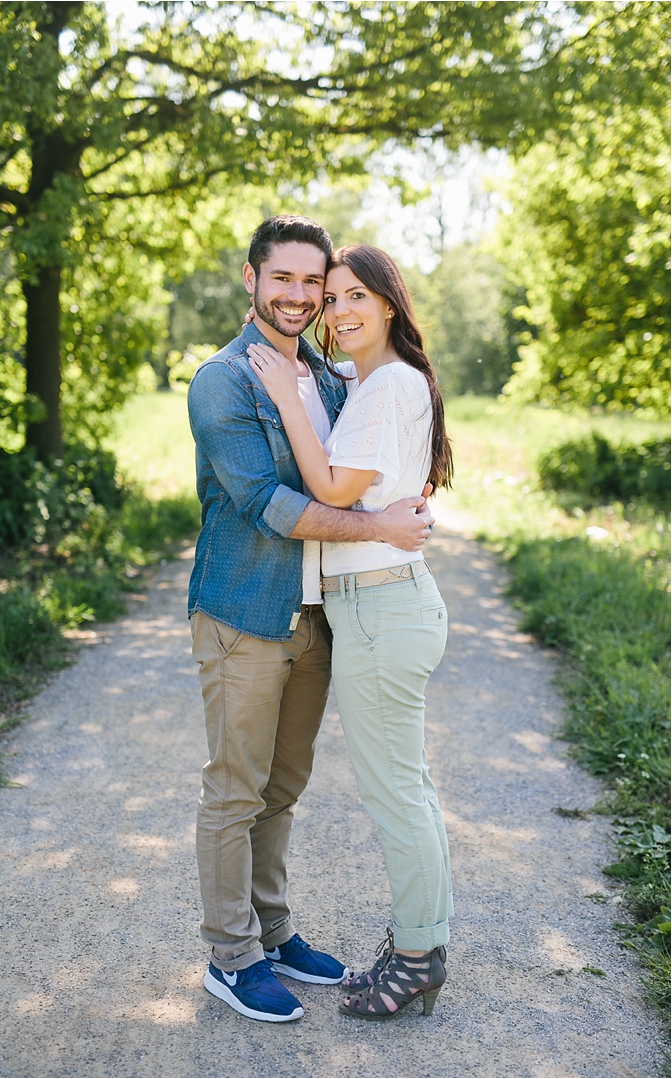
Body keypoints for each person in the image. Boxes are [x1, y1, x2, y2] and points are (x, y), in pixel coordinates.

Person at [187, 217, 434, 1024]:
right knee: (236, 787)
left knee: (284, 787)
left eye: (313, 284)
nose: (299, 296)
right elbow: (267, 501)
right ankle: (231, 955)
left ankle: (275, 931)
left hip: (318, 620)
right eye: (283, 279)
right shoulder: (223, 380)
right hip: (247, 611)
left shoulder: (330, 377)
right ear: (251, 280)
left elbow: (366, 462)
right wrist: (379, 529)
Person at [248, 243, 454, 1021]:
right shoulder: (382, 382)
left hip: (380, 609)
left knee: (396, 792)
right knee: (409, 788)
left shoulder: (384, 385)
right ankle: (421, 944)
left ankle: (416, 955)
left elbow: (332, 487)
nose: (339, 311)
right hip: (381, 604)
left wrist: (288, 397)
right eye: (332, 299)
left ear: (391, 303)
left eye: (355, 295)